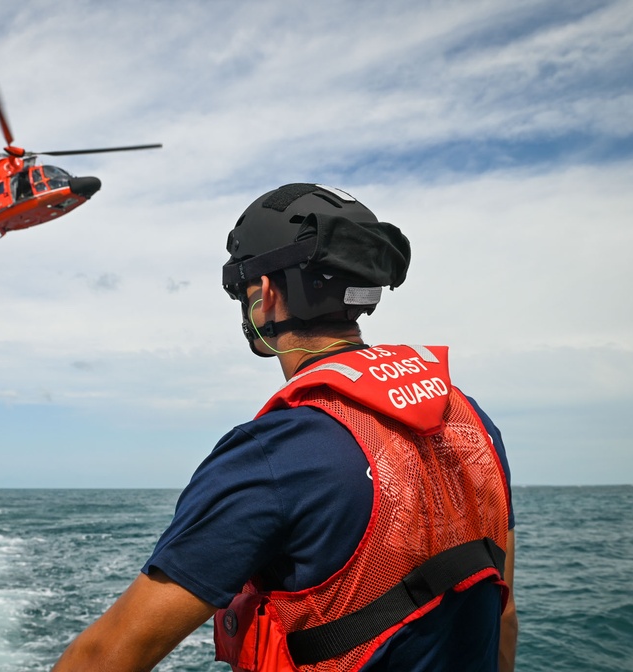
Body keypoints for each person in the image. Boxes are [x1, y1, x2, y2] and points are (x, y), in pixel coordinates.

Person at [52, 183, 517, 672]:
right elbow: (503, 616)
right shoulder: (471, 422)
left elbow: (107, 656)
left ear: (267, 294)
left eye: (243, 291)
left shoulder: (272, 455)